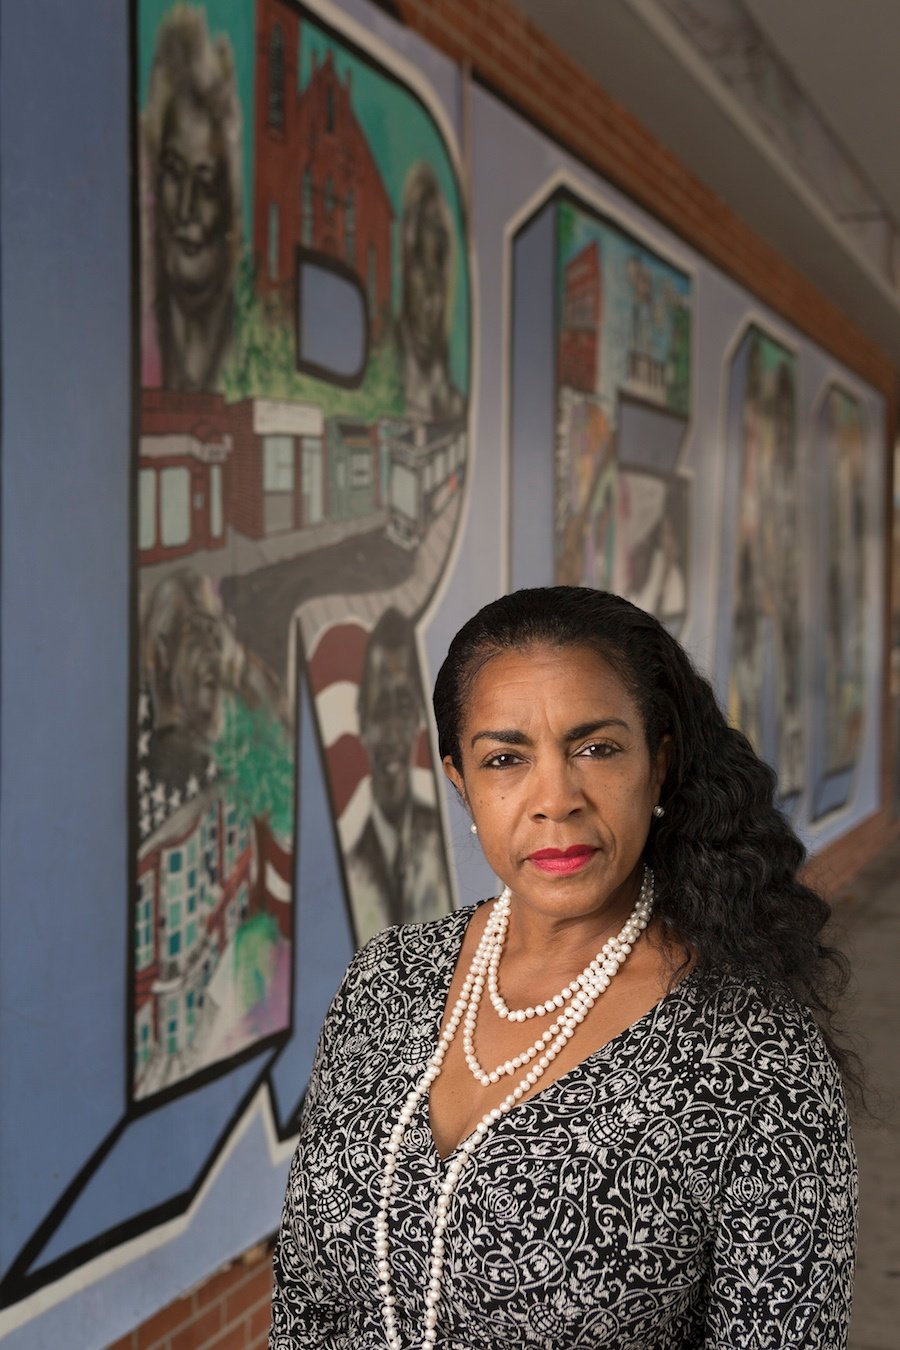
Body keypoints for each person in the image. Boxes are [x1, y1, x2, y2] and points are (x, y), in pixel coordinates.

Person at [270, 586, 858, 1349]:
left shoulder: (754, 1062)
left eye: (597, 748)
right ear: (461, 782)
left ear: (659, 763)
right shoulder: (387, 979)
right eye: (506, 759)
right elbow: (307, 1300)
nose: (556, 799)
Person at [142, 7, 241, 392]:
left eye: (205, 180)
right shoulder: (140, 326)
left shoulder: (244, 344)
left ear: (229, 200)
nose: (185, 209)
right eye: (172, 171)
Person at [346, 607, 452, 942]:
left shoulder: (449, 845)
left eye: (403, 707)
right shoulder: (349, 869)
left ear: (417, 720)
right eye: (381, 709)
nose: (392, 730)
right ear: (362, 722)